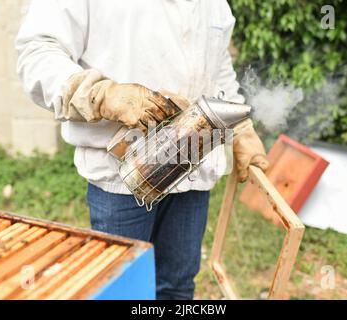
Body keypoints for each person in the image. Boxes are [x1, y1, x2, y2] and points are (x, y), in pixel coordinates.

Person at [16, 0, 268, 300]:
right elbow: (39, 51)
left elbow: (219, 69)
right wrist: (102, 95)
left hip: (194, 168)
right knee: (123, 292)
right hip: (122, 177)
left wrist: (240, 128)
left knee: (176, 288)